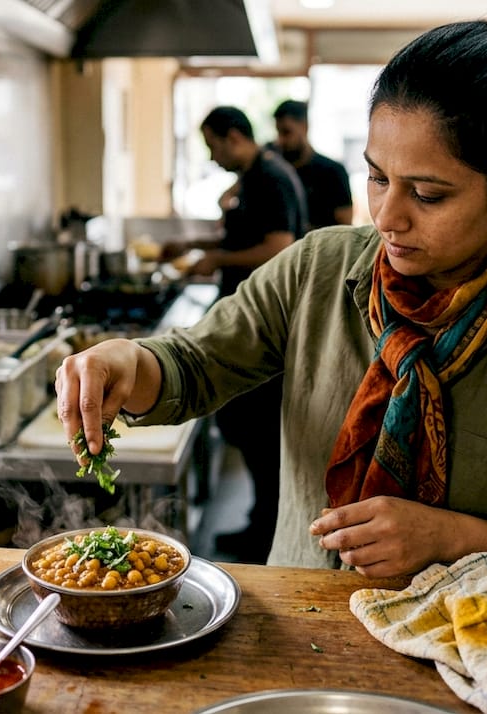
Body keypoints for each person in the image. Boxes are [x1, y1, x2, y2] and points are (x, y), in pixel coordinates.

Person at [57, 14, 487, 586]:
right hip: (300, 625)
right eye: (378, 178)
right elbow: (195, 364)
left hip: (475, 663)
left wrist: (454, 538)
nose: (387, 218)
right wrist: (127, 363)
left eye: (427, 194)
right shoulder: (320, 269)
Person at [165, 105, 308, 563]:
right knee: (244, 426)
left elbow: (278, 246)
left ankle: (265, 535)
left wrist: (216, 262)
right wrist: (194, 245)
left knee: (259, 431)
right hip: (246, 320)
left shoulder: (271, 177)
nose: (213, 157)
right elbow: (242, 235)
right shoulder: (252, 177)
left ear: (233, 137)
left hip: (267, 328)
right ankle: (258, 524)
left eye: (213, 146)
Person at [271, 99, 354, 231]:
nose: (280, 141)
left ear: (304, 127)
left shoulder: (332, 172)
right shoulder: (277, 172)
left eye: (286, 132)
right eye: (278, 133)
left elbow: (344, 228)